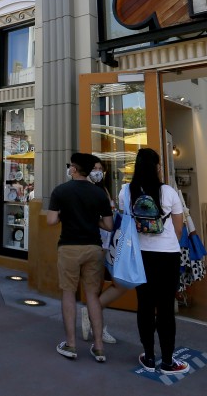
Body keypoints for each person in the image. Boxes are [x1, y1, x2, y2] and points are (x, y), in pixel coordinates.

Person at [122, 147, 188, 375]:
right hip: (168, 255)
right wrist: (168, 240)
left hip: (141, 256)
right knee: (166, 307)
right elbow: (179, 228)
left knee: (145, 306)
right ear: (157, 167)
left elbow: (127, 223)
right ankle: (168, 360)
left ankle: (149, 356)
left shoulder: (126, 191)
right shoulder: (168, 192)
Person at [47, 153, 115, 363]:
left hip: (69, 247)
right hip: (93, 247)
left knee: (68, 293)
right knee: (93, 295)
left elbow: (51, 220)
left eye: (71, 166)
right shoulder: (99, 194)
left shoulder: (61, 191)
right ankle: (99, 347)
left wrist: (66, 215)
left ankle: (71, 344)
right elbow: (109, 225)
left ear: (74, 169)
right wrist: (90, 220)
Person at [79, 160, 121, 346]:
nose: (97, 172)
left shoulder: (103, 190)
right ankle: (98, 326)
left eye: (100, 169)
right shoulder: (85, 191)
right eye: (94, 169)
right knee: (96, 285)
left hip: (109, 241)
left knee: (115, 283)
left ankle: (91, 314)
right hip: (95, 242)